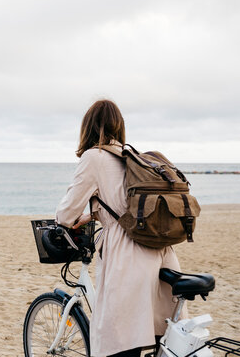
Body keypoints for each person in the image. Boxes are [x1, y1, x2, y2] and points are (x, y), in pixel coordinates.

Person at [55, 100, 184, 357]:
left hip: (127, 257)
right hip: (160, 252)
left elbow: (65, 214)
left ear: (87, 128)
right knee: (155, 337)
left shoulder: (94, 157)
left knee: (120, 341)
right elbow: (125, 203)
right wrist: (93, 214)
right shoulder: (130, 157)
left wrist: (67, 219)